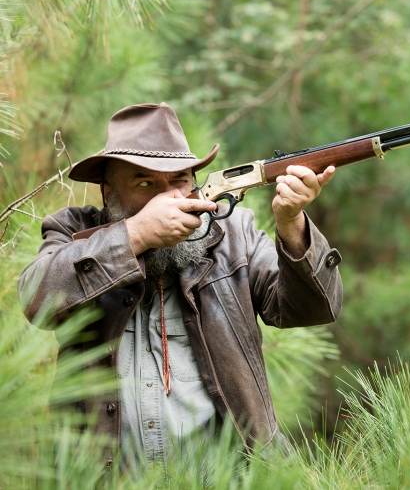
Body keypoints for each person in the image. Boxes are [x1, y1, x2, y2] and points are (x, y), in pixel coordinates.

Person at [17, 102, 343, 468]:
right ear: (108, 192)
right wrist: (136, 235)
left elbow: (312, 308)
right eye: (145, 183)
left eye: (180, 180)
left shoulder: (234, 233)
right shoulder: (71, 232)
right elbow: (37, 299)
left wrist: (291, 222)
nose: (170, 197)